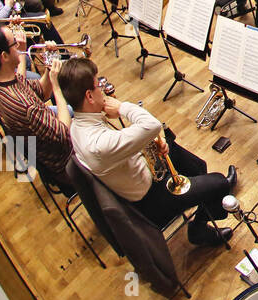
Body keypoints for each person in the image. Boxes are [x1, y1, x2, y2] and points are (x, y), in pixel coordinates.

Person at [62, 56, 234, 247]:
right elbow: (151, 125)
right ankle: (199, 228)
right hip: (151, 198)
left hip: (139, 174)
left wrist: (151, 147)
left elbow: (124, 149)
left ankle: (207, 198)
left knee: (196, 165)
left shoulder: (77, 125)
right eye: (97, 86)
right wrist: (122, 107)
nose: (102, 90)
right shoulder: (98, 144)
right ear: (89, 96)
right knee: (219, 183)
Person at [0, 24, 71, 193]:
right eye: (14, 43)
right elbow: (64, 132)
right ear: (4, 56)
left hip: (51, 138)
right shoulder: (25, 106)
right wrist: (56, 86)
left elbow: (41, 92)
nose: (19, 44)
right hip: (66, 162)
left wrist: (48, 66)